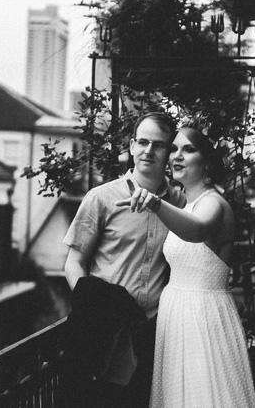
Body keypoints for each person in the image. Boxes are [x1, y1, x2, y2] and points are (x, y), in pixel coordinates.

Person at [117, 123, 255, 408]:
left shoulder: (214, 204)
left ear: (207, 162)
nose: (176, 156)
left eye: (189, 149)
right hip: (177, 317)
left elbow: (196, 231)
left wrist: (155, 204)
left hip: (202, 319)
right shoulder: (186, 205)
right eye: (174, 149)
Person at [62, 111, 186, 408]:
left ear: (169, 152)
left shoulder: (180, 203)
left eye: (158, 144)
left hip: (156, 334)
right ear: (131, 146)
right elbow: (73, 262)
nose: (148, 150)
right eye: (142, 142)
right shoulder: (101, 198)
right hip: (107, 334)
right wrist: (95, 307)